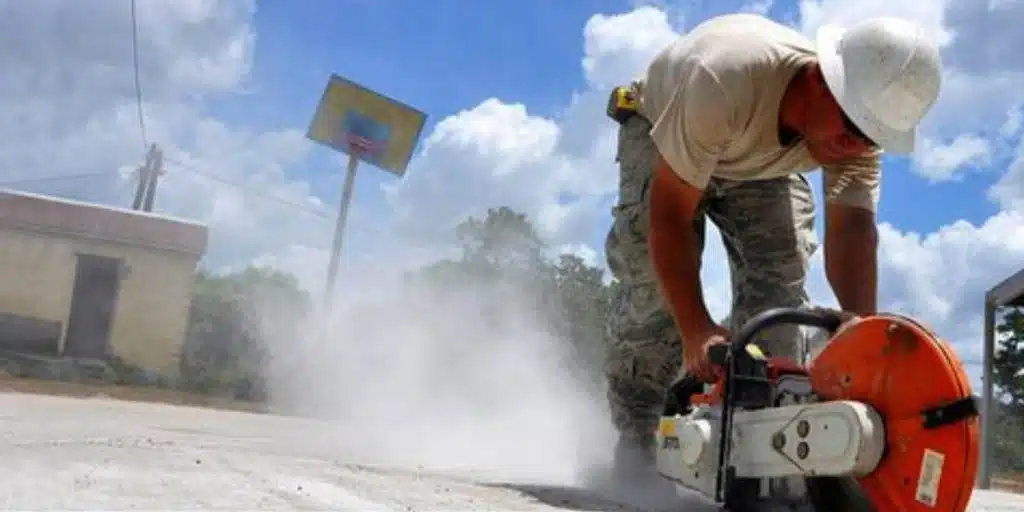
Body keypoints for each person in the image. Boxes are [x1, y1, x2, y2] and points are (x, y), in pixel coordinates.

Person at [602, 12, 942, 482]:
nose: (854, 147)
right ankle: (637, 438)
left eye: (869, 138)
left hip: (758, 161)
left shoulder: (858, 133)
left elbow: (852, 230)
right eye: (849, 129)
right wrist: (697, 329)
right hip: (666, 127)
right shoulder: (724, 79)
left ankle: (753, 456)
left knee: (780, 294)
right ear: (821, 79)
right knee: (656, 294)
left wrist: (861, 331)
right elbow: (670, 218)